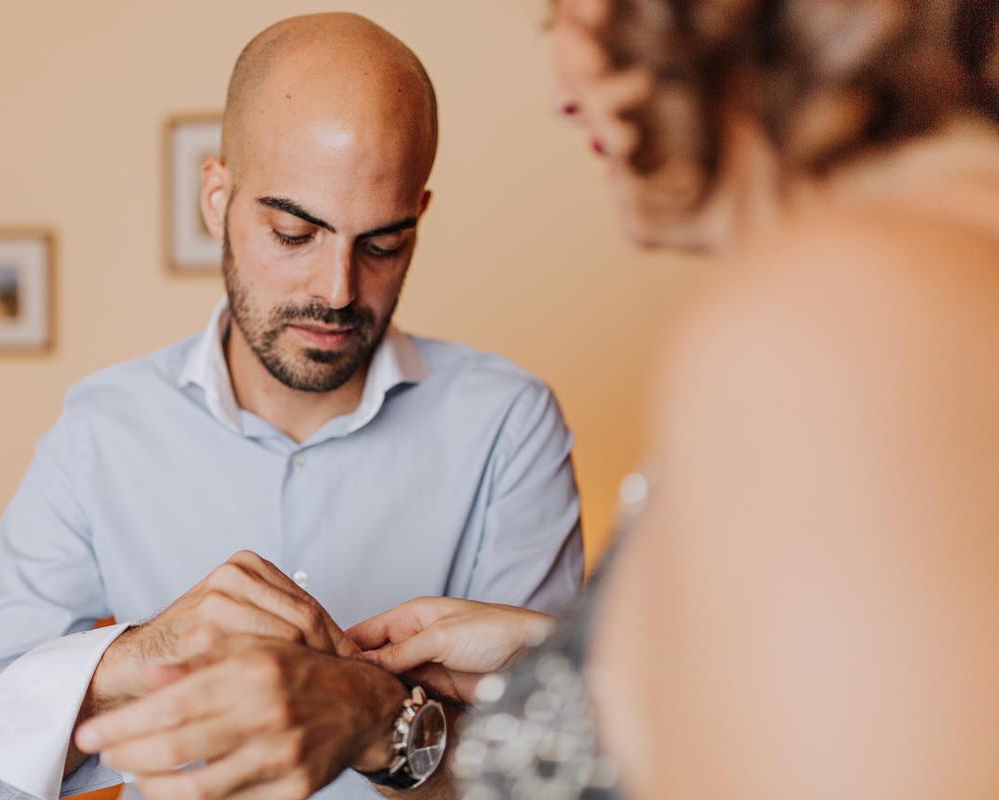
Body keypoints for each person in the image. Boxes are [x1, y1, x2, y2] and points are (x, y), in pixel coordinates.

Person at [0, 13, 585, 800]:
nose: (337, 290)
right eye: (293, 232)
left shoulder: (509, 426)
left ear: (418, 218)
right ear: (217, 198)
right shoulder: (101, 432)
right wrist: (134, 660)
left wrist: (382, 721)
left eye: (383, 244)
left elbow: (554, 775)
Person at [354, 0, 999, 797]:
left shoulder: (844, 320)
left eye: (569, 13)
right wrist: (554, 674)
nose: (561, 94)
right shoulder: (928, 263)